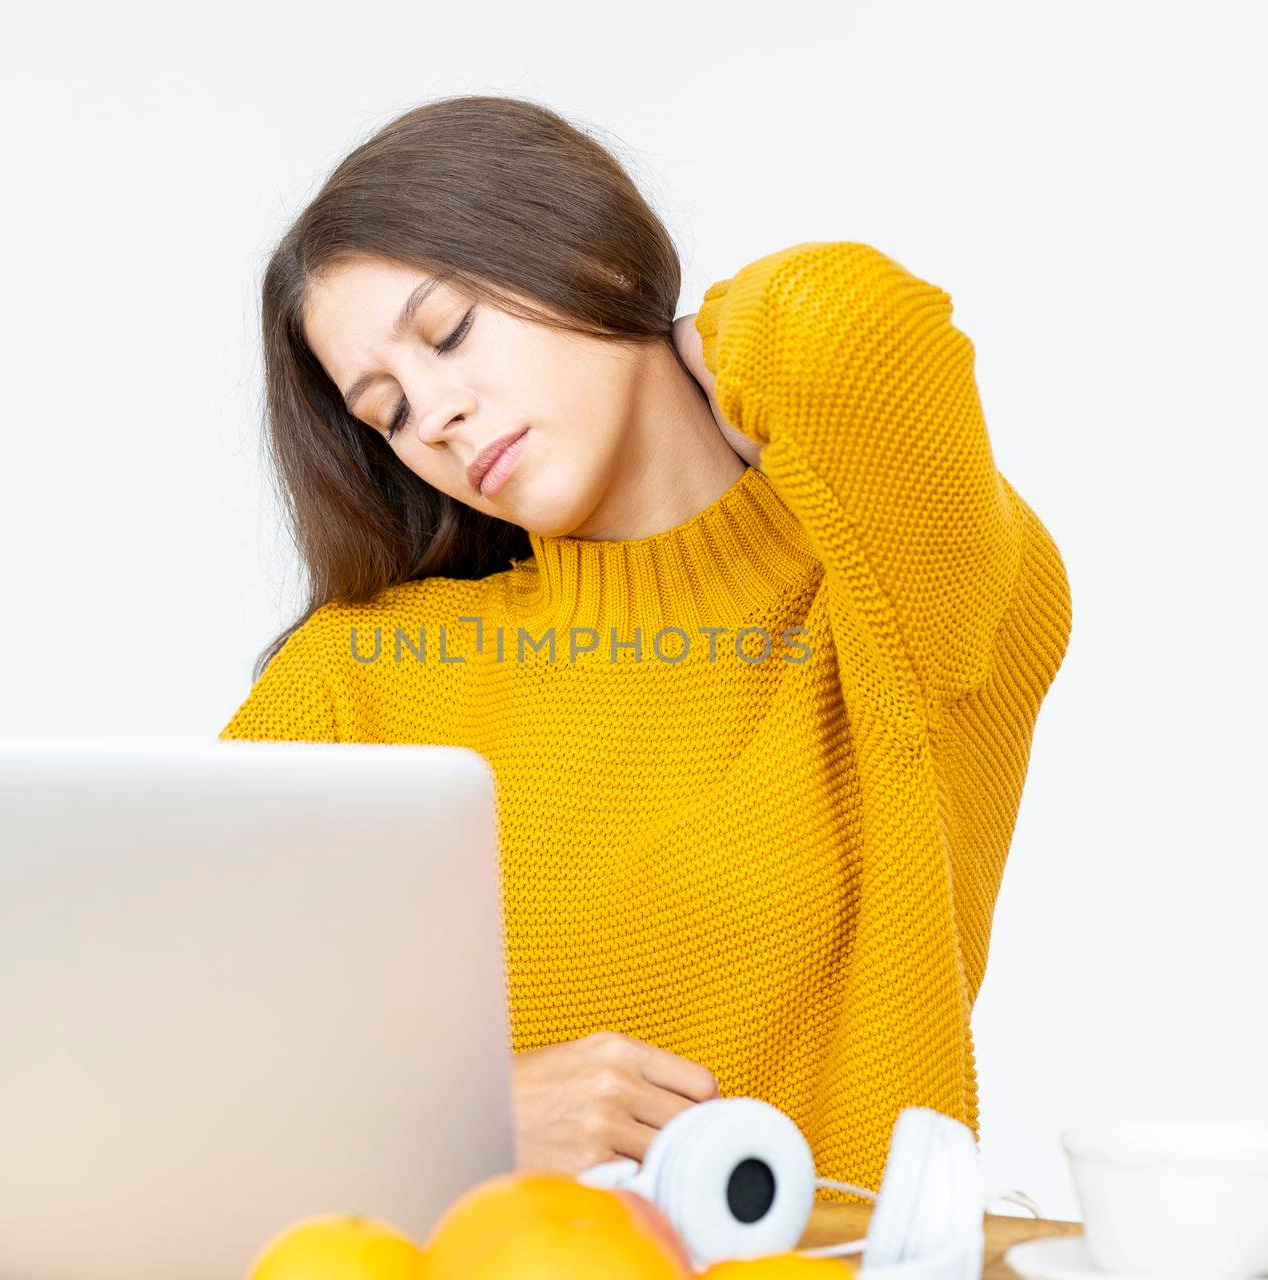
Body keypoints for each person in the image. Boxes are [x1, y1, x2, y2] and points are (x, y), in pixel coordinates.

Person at [218, 93, 1072, 1204]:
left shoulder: (894, 600)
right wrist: (457, 1119)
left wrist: (688, 338)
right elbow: (151, 1041)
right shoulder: (362, 673)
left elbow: (850, 320)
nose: (433, 413)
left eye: (451, 333)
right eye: (385, 409)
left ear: (589, 254)